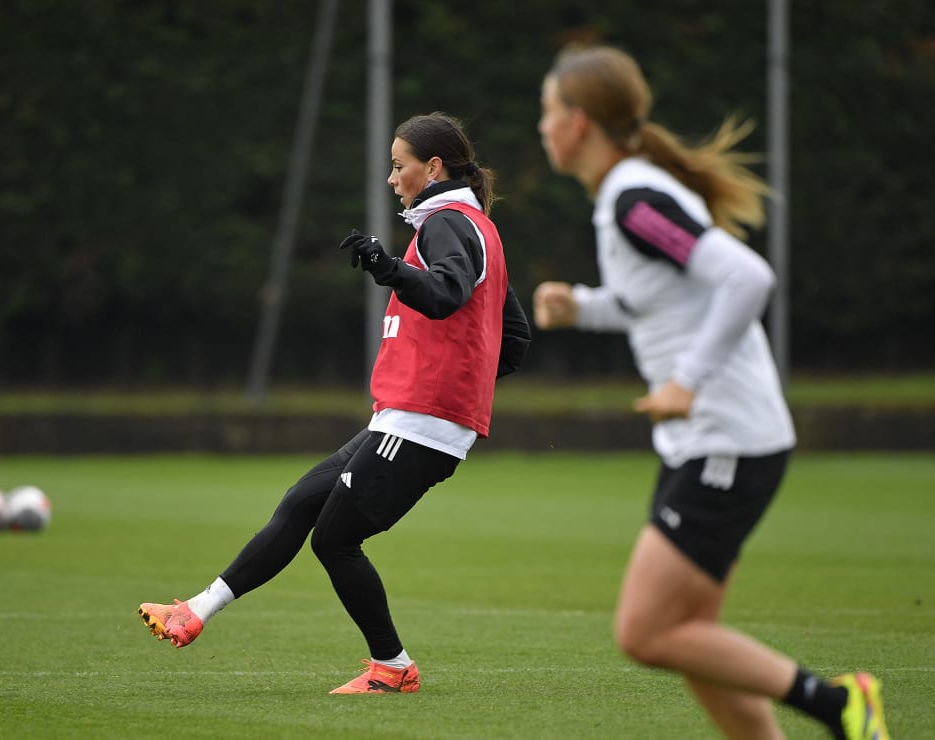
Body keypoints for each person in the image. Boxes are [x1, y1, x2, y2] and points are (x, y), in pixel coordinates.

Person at [531, 45, 890, 740]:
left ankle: (840, 704)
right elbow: (659, 302)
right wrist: (582, 306)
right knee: (690, 638)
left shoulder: (636, 200)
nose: (541, 129)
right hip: (714, 441)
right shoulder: (626, 199)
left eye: (548, 113)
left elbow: (747, 279)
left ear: (578, 123)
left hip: (724, 439)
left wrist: (684, 382)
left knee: (646, 631)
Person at [138, 112, 531, 695]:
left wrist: (388, 270)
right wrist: (460, 381)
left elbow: (446, 295)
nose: (392, 178)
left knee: (334, 539)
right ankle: (195, 610)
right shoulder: (472, 227)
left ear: (434, 167)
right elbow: (514, 335)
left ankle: (392, 667)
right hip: (409, 416)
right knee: (301, 504)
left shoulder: (449, 222)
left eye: (399, 166)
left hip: (421, 421)